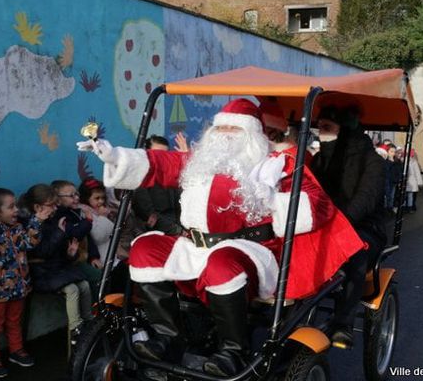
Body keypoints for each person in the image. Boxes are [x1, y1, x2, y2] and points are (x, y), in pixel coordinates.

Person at [78, 98, 365, 376]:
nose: (225, 135)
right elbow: (161, 164)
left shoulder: (274, 166)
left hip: (248, 248)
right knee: (145, 249)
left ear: (252, 134)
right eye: (221, 128)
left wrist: (272, 198)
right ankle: (169, 337)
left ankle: (232, 352)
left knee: (221, 264)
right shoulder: (198, 161)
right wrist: (116, 156)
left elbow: (318, 206)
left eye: (234, 129)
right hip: (194, 245)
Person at [310, 103, 387, 348]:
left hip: (362, 227)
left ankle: (343, 323)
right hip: (322, 225)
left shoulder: (372, 160)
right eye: (319, 128)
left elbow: (366, 199)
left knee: (355, 254)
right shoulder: (319, 159)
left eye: (327, 128)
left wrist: (338, 226)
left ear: (343, 129)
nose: (321, 133)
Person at [0, 188, 51, 378]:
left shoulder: (18, 228)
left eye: (16, 206)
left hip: (19, 287)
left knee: (14, 321)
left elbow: (30, 243)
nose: (16, 211)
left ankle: (16, 350)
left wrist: (38, 220)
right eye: (11, 207)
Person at [21, 184, 93, 345]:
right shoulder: (30, 225)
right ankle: (76, 329)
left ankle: (89, 322)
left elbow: (57, 254)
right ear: (37, 207)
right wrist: (59, 233)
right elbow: (40, 253)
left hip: (54, 269)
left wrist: (70, 254)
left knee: (84, 285)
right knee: (72, 289)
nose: (55, 208)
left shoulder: (52, 220)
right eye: (51, 205)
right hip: (39, 271)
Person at [51, 180, 103, 293]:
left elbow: (87, 237)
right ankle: (96, 308)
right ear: (58, 200)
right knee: (98, 277)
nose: (76, 198)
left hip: (82, 257)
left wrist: (94, 256)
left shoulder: (74, 212)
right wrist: (88, 221)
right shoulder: (59, 216)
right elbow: (75, 235)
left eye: (76, 194)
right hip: (70, 261)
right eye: (71, 195)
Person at [132, 136, 183, 236]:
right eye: (157, 153)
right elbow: (149, 214)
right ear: (147, 153)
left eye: (165, 154)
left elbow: (180, 206)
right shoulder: (141, 177)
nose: (162, 157)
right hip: (158, 234)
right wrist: (179, 231)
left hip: (178, 229)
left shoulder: (171, 174)